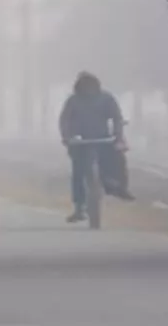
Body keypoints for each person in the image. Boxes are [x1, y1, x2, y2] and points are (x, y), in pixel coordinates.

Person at [58, 71, 134, 222]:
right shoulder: (73, 101)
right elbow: (64, 120)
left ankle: (120, 187)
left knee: (118, 160)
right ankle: (79, 207)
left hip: (103, 140)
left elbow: (117, 118)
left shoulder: (106, 99)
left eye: (91, 86)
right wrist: (67, 137)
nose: (88, 90)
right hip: (80, 143)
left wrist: (118, 137)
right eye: (85, 87)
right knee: (78, 173)